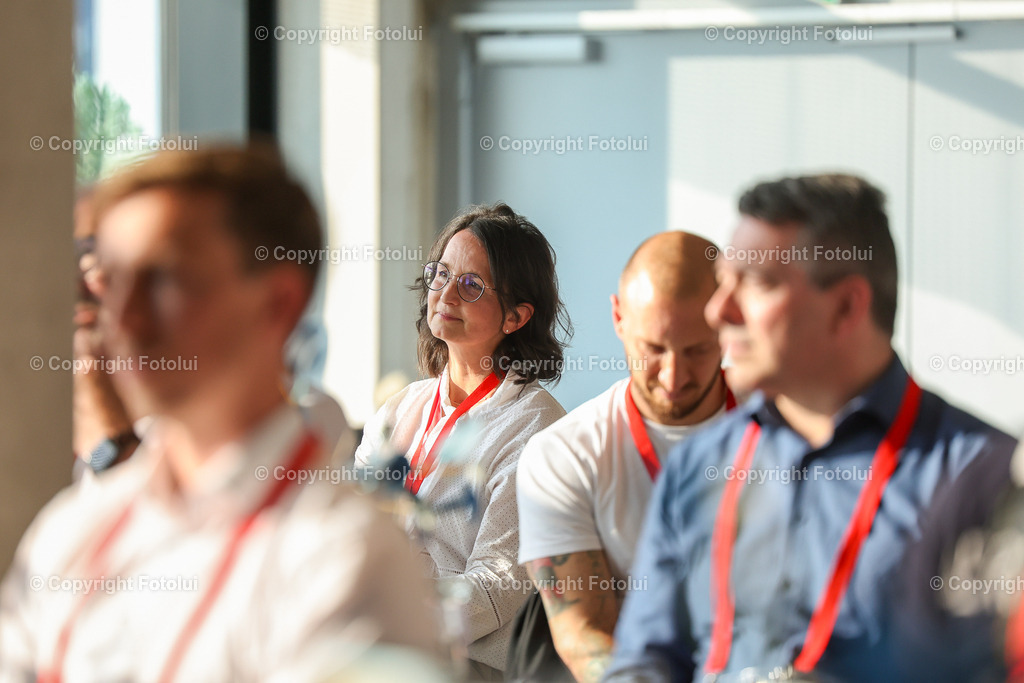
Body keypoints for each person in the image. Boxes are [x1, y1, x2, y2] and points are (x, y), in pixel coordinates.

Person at [0, 145, 441, 681]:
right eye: (111, 280)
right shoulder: (73, 528)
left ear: (277, 303)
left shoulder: (344, 556)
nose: (125, 317)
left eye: (164, 279)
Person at [604, 173, 1018, 682]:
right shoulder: (698, 465)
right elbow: (643, 661)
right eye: (723, 281)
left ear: (846, 306)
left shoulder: (985, 479)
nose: (718, 311)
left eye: (755, 282)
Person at [355, 202, 572, 679]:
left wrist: (394, 621)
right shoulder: (400, 408)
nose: (446, 294)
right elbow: (356, 529)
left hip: (464, 662)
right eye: (442, 274)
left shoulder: (537, 428)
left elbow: (495, 588)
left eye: (471, 285)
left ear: (515, 317)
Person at [513, 231, 735, 682]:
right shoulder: (563, 455)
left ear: (729, 325)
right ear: (618, 318)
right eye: (653, 350)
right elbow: (584, 634)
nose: (674, 376)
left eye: (697, 351)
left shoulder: (788, 429)